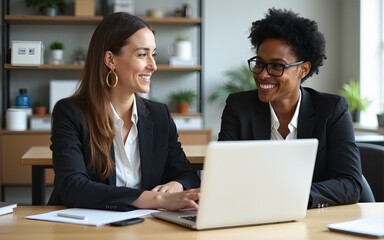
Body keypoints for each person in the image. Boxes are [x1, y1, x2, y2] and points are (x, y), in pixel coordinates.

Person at [48, 12, 200, 211]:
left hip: (144, 226)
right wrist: (156, 200)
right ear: (110, 59)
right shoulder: (70, 112)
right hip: (84, 227)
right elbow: (72, 187)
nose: (153, 65)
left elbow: (187, 174)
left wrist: (176, 186)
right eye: (142, 54)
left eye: (153, 54)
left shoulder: (159, 115)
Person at [218, 8, 363, 209]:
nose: (262, 74)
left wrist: (293, 196)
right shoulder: (239, 107)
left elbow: (351, 183)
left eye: (277, 66)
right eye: (259, 63)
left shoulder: (331, 110)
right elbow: (225, 176)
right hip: (253, 217)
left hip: (313, 221)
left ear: (303, 69)